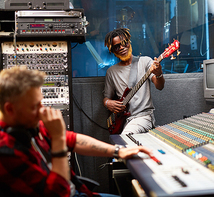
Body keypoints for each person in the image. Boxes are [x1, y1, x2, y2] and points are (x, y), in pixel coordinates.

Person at [0, 66, 153, 197]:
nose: (42, 110)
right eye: (35, 106)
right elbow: (57, 194)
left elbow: (73, 140)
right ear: (10, 109)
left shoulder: (29, 124)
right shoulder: (6, 151)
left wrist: (118, 151)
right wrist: (58, 140)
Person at [103, 28, 165, 134]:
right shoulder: (111, 72)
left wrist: (158, 74)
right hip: (122, 120)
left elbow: (159, 86)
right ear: (112, 51)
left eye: (124, 43)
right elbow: (106, 98)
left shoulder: (145, 62)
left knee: (126, 138)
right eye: (117, 46)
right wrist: (108, 103)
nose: (122, 47)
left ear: (129, 42)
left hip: (143, 117)